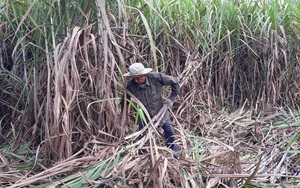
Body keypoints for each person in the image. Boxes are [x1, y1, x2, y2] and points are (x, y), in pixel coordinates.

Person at [120, 62, 180, 158]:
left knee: (169, 130)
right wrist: (122, 117)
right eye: (134, 78)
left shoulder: (155, 78)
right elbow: (124, 101)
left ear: (144, 75)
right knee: (143, 136)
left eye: (138, 78)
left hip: (160, 110)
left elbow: (175, 82)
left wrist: (171, 100)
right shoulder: (131, 86)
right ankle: (144, 155)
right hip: (144, 115)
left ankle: (174, 153)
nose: (136, 80)